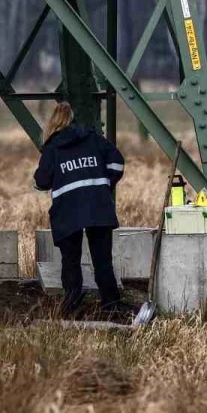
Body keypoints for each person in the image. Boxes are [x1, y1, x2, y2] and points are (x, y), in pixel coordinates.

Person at [33, 101, 128, 316]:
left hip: (68, 211)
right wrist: (104, 183)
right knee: (103, 260)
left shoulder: (52, 148)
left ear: (53, 124)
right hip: (98, 206)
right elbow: (117, 164)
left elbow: (41, 181)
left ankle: (72, 304)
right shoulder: (93, 139)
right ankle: (110, 304)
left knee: (71, 261)